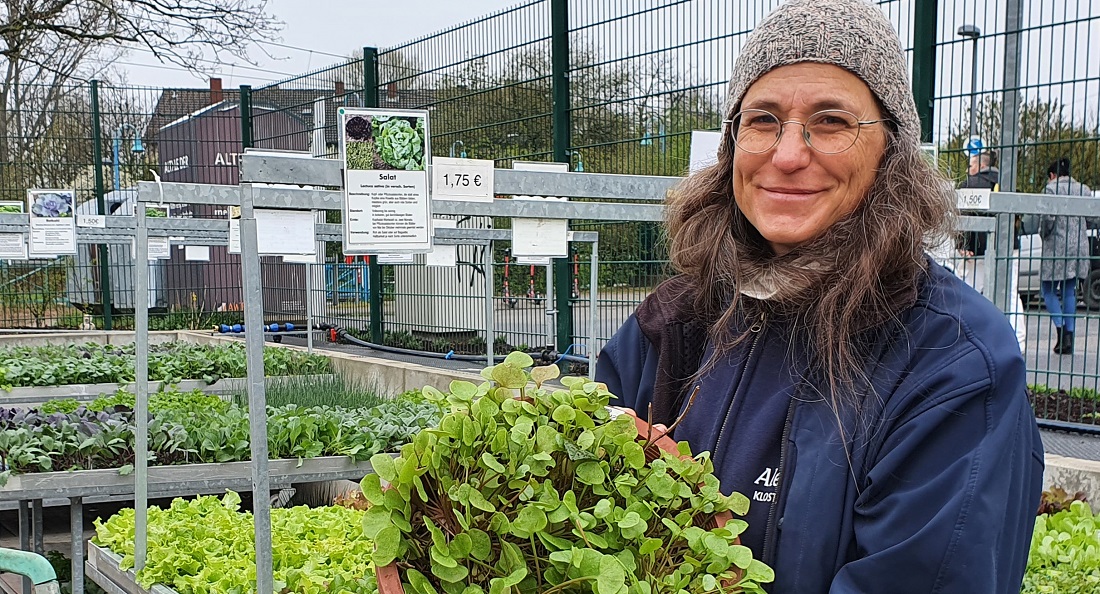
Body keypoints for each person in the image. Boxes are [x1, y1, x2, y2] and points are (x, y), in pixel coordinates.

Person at [595, 1, 1044, 592]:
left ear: (892, 150)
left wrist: (707, 549)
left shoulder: (954, 360)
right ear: (732, 145)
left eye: (831, 120)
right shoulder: (673, 317)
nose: (787, 154)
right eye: (762, 119)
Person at [955, 151, 1029, 353]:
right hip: (1008, 248)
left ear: (979, 166)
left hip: (976, 252)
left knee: (967, 291)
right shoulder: (1008, 184)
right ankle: (1018, 342)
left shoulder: (970, 184)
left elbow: (961, 216)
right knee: (1011, 293)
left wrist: (963, 244)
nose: (969, 171)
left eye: (971, 166)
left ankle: (962, 338)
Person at [1040, 157, 1092, 355]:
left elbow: (1047, 219)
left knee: (1048, 289)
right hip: (1078, 247)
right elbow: (1093, 216)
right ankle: (1070, 334)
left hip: (1056, 248)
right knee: (1070, 290)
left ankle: (1061, 331)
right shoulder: (1083, 189)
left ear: (1052, 175)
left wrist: (1044, 234)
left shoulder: (1051, 189)